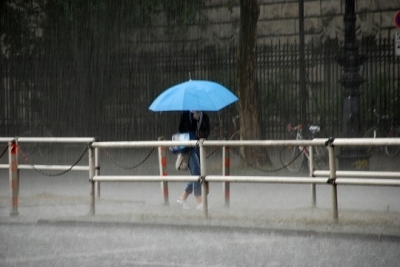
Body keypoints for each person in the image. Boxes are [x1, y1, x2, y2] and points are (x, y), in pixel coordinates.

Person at [176, 110, 210, 210]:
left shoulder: (205, 116)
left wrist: (200, 134)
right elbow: (181, 130)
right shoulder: (186, 114)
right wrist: (192, 122)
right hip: (188, 148)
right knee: (197, 173)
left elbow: (207, 132)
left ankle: (182, 198)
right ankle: (199, 201)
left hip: (200, 147)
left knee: (197, 174)